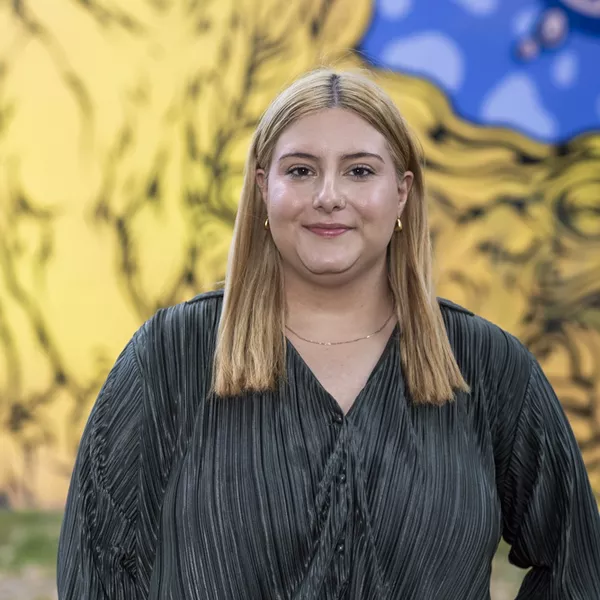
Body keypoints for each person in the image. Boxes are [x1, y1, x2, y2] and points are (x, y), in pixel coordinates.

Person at [57, 68, 600, 599]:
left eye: (360, 171)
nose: (328, 196)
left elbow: (576, 566)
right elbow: (97, 566)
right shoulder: (170, 356)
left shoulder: (486, 365)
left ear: (402, 194)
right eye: (301, 170)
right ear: (263, 187)